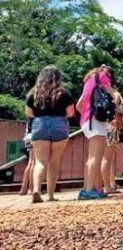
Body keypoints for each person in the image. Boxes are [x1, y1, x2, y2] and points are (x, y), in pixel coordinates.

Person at [24, 66, 75, 203]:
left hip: (39, 124)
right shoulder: (64, 93)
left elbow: (28, 113)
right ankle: (51, 195)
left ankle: (36, 190)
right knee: (54, 161)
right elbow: (71, 113)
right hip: (59, 124)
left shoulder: (33, 93)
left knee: (40, 161)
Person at [77, 65, 117, 200]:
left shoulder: (88, 81)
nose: (109, 77)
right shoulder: (102, 77)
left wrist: (87, 115)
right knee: (96, 157)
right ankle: (88, 190)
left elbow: (79, 105)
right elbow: (113, 97)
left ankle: (88, 188)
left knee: (91, 157)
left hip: (86, 121)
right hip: (95, 121)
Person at [102, 86, 123, 193]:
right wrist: (119, 127)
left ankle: (101, 185)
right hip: (111, 126)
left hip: (99, 127)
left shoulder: (99, 93)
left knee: (101, 157)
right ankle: (109, 185)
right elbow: (116, 110)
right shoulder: (116, 94)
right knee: (108, 159)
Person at [18, 118, 35, 196]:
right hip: (34, 136)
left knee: (30, 163)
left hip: (27, 137)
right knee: (33, 163)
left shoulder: (29, 115)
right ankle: (31, 189)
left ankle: (23, 188)